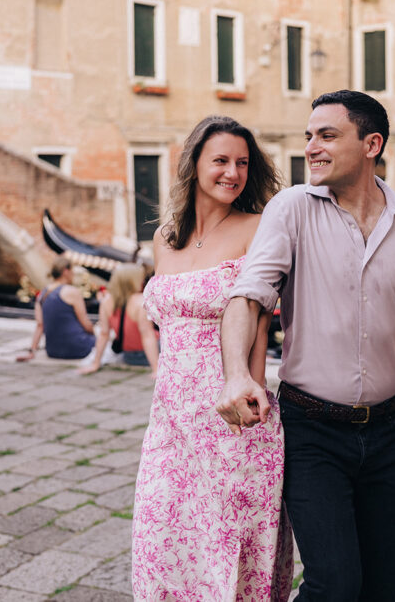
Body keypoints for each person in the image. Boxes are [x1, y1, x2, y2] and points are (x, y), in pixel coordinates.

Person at [217, 90, 395, 601]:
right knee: (335, 586)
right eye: (309, 136)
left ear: (371, 144)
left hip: (391, 434)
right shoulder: (291, 209)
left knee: (381, 588)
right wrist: (237, 373)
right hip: (311, 431)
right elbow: (249, 296)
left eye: (327, 135)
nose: (311, 148)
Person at [131, 116, 291, 600]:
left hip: (233, 417)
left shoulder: (258, 228)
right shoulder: (165, 238)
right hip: (170, 422)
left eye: (242, 162)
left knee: (228, 550)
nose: (232, 172)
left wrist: (254, 392)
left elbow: (261, 319)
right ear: (194, 164)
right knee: (160, 540)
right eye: (220, 160)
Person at [76, 263, 159, 376]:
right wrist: (155, 369)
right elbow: (147, 336)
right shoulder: (141, 302)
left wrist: (96, 363)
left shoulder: (106, 302)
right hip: (151, 354)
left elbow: (103, 334)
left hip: (128, 356)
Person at [17, 256, 95, 361]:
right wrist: (95, 337)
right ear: (66, 271)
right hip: (78, 348)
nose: (73, 274)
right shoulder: (72, 291)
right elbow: (86, 324)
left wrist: (32, 351)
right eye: (72, 271)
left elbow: (40, 325)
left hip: (53, 351)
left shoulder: (42, 294)